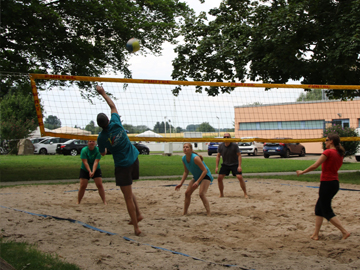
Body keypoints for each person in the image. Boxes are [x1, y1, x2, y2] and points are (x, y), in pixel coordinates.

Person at [96, 85, 143, 236]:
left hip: (122, 165)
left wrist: (107, 148)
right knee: (129, 191)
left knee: (127, 196)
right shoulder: (116, 122)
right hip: (134, 159)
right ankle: (139, 214)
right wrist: (103, 92)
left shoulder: (102, 137)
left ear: (100, 125)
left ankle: (136, 227)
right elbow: (112, 105)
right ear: (108, 120)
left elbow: (102, 153)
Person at [296, 133, 350, 240]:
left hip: (327, 183)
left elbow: (315, 165)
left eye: (326, 140)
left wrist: (302, 172)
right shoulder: (339, 153)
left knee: (326, 210)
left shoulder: (328, 152)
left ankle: (344, 232)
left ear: (331, 142)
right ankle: (315, 234)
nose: (324, 142)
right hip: (335, 183)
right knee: (319, 208)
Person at [175, 143, 213, 216]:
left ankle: (209, 213)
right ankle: (185, 213)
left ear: (191, 149)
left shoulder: (195, 158)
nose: (185, 148)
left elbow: (204, 171)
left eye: (187, 147)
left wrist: (198, 182)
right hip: (196, 176)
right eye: (184, 147)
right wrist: (181, 183)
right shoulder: (183, 158)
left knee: (201, 194)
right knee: (187, 193)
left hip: (205, 175)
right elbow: (186, 172)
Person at [215, 133, 248, 198]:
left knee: (240, 177)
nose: (226, 138)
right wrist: (216, 167)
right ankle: (221, 194)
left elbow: (239, 155)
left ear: (230, 138)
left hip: (234, 164)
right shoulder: (221, 146)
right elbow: (218, 156)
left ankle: (245, 193)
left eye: (228, 137)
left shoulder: (234, 145)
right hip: (225, 164)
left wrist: (239, 166)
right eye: (225, 137)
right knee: (219, 178)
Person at [78, 140, 107, 205]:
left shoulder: (98, 150)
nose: (91, 143)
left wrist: (93, 171)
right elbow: (85, 162)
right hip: (85, 169)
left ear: (95, 143)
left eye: (93, 141)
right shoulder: (84, 150)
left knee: (99, 185)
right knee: (83, 186)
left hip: (96, 169)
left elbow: (96, 162)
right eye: (90, 141)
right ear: (87, 143)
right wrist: (89, 171)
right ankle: (78, 201)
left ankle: (104, 201)